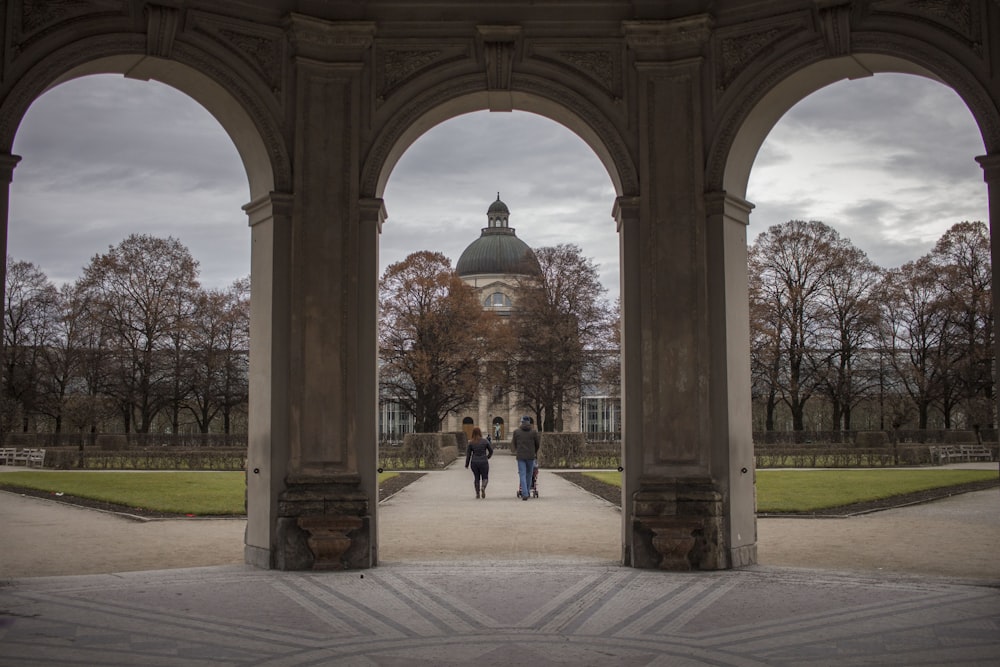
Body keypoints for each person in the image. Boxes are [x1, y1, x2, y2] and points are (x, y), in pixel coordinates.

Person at [511, 415, 540, 501]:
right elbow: (537, 444)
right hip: (531, 456)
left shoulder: (516, 432)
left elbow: (514, 443)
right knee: (529, 474)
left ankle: (525, 493)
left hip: (521, 456)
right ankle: (526, 492)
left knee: (522, 474)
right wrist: (534, 452)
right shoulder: (533, 432)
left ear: (522, 422)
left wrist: (517, 450)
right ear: (529, 423)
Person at [464, 427, 493, 499]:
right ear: (480, 433)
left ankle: (477, 493)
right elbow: (491, 451)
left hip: (474, 462)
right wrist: (487, 457)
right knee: (485, 477)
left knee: (476, 478)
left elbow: (468, 455)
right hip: (484, 461)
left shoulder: (471, 442)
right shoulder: (485, 441)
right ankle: (483, 487)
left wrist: (467, 464)